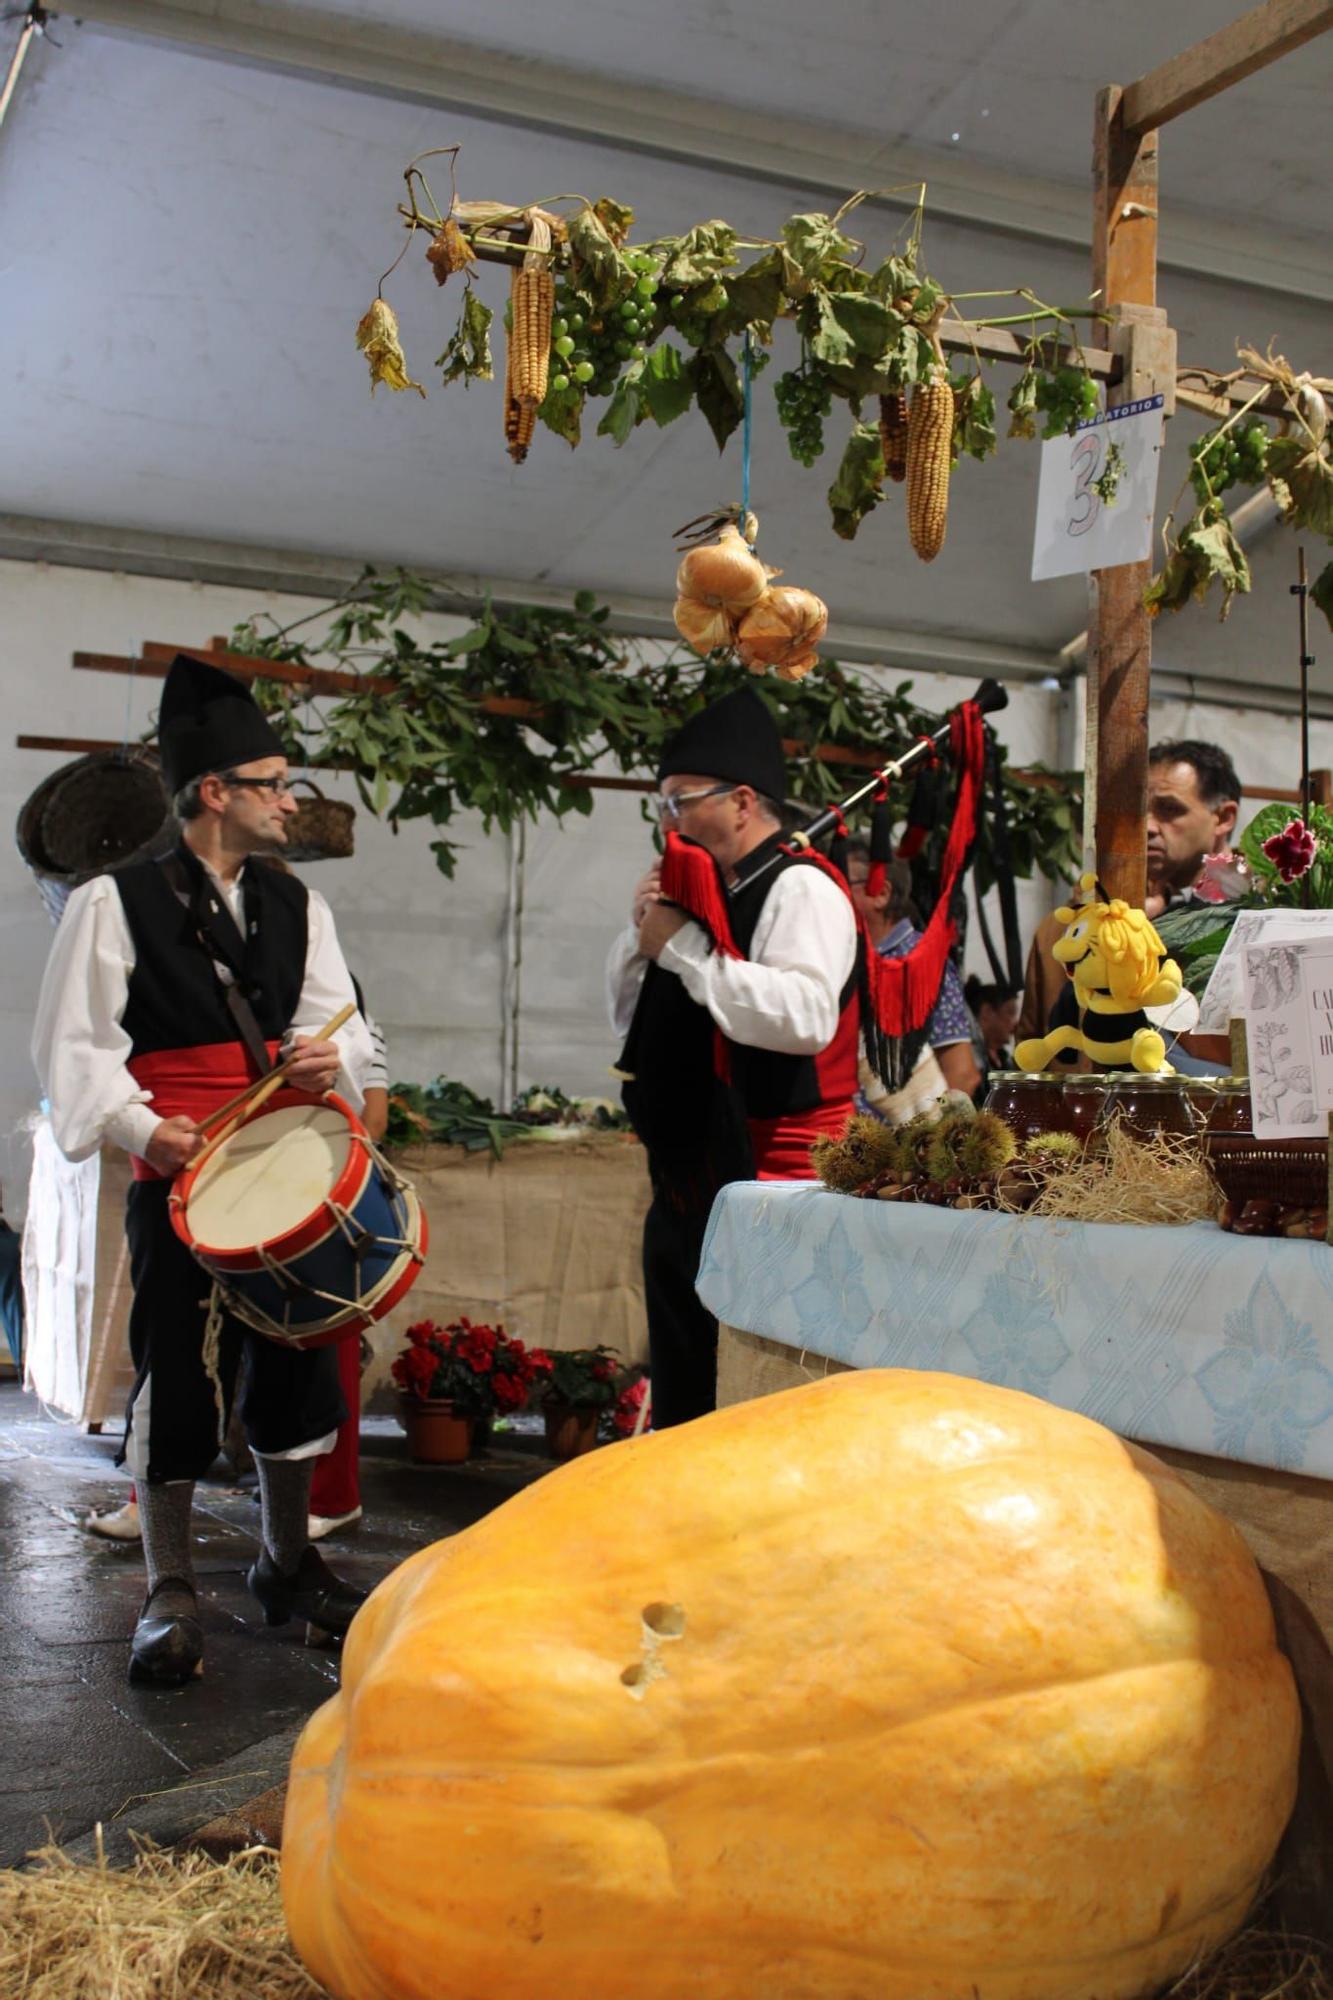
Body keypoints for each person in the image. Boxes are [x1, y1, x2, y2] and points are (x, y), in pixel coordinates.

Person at [32, 654, 374, 1689]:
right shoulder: (111, 901)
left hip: (280, 1166)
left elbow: (344, 1022)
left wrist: (331, 1056)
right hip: (179, 1169)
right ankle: (169, 1586)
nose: (289, 801)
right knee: (175, 1370)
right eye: (273, 782)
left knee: (296, 1363)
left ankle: (284, 1560)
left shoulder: (298, 904)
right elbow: (73, 1046)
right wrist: (141, 1124)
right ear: (214, 793)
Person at [607, 687, 857, 1430]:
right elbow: (630, 1016)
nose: (669, 824)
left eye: (680, 802)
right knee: (686, 1369)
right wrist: (640, 935)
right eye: (662, 806)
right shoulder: (709, 888)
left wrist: (682, 949)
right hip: (690, 1175)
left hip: (771, 1175)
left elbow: (803, 1018)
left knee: (754, 1380)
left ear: (742, 801)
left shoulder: (801, 886)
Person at [1015, 737, 1243, 1048]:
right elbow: (1032, 1048)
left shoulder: (1257, 921)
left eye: (1169, 809)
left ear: (1224, 818)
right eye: (1137, 810)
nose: (1147, 826)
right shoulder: (1063, 930)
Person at [308, 988, 389, 1541]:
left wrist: (327, 1166)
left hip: (329, 1193)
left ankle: (335, 1497)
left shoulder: (357, 1021)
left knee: (330, 1347)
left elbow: (374, 1117)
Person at [844, 848, 981, 1111]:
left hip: (895, 1147)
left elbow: (961, 1074)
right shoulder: (846, 957)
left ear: (881, 894)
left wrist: (923, 1142)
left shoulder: (921, 963)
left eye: (842, 882)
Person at [964, 975, 1021, 1098]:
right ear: (987, 1012)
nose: (1016, 1023)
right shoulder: (969, 1058)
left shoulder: (1005, 1059)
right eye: (1010, 1012)